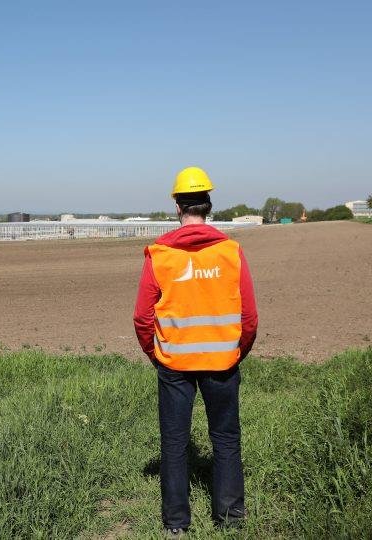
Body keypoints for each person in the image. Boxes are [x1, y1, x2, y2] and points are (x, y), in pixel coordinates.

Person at [133, 166, 258, 536]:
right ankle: (231, 519)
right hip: (223, 362)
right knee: (225, 438)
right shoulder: (231, 252)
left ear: (177, 206)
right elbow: (248, 317)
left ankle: (176, 524)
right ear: (209, 204)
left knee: (174, 444)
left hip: (174, 363)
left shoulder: (159, 254)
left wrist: (156, 353)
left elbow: (142, 317)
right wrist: (236, 352)